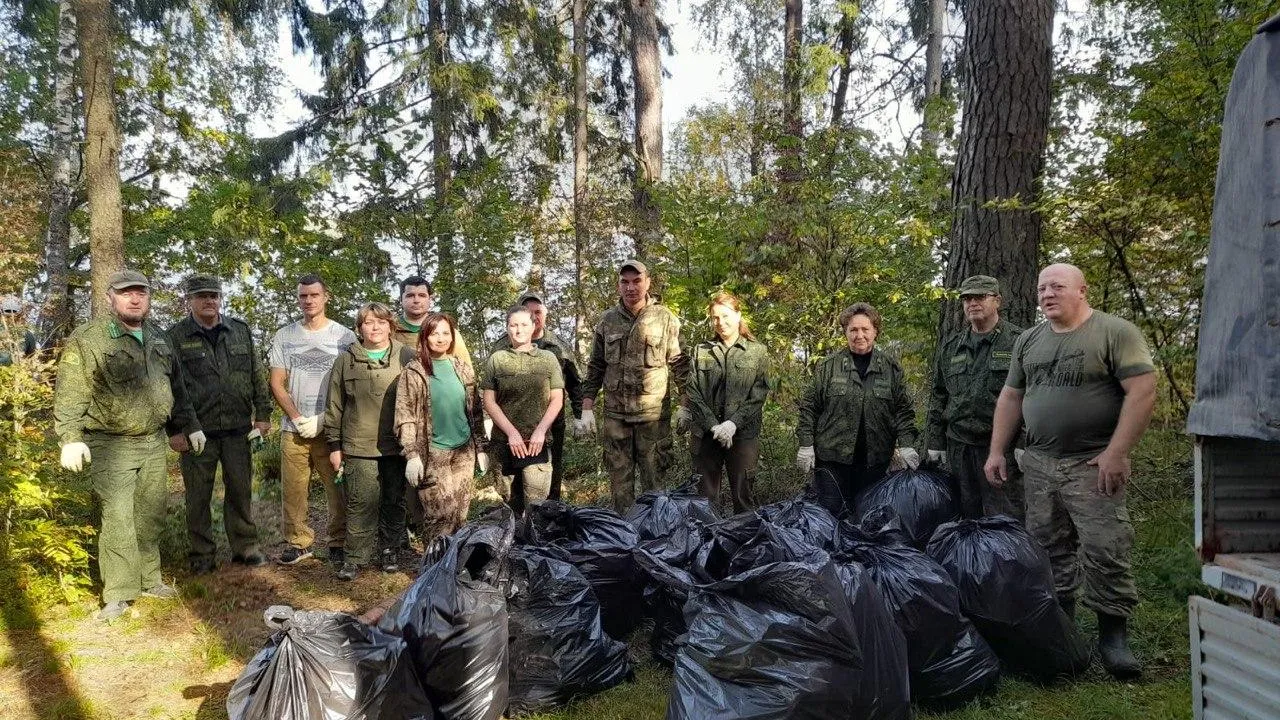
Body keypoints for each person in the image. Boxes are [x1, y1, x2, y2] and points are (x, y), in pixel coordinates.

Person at [985, 263, 1156, 680]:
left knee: (1105, 548)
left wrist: (1118, 451)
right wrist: (997, 451)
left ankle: (1113, 638)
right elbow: (1011, 397)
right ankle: (1063, 633)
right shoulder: (1029, 340)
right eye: (1042, 287)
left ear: (1082, 290)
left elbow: (1143, 390)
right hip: (1040, 464)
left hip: (1093, 463)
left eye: (1057, 286)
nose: (1047, 294)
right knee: (1048, 550)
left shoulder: (1115, 332)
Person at [53, 270, 203, 621]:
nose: (135, 299)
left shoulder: (159, 338)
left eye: (141, 293)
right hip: (110, 443)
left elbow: (177, 390)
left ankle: (149, 579)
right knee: (118, 517)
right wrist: (70, 438)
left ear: (149, 298)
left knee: (150, 514)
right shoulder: (90, 339)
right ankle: (118, 594)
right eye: (126, 293)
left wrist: (189, 425)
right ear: (111, 298)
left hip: (152, 441)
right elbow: (72, 391)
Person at [167, 275, 271, 574]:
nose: (209, 300)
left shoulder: (239, 330)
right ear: (189, 300)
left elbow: (256, 374)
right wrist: (174, 429)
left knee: (240, 491)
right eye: (202, 296)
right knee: (197, 496)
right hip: (198, 433)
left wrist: (262, 415)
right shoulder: (175, 336)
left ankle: (246, 547)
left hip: (238, 429)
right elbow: (170, 386)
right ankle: (201, 554)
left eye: (213, 295)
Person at [578, 260, 688, 513]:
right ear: (618, 286)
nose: (631, 288)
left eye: (637, 281)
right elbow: (596, 366)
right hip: (616, 417)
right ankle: (624, 540)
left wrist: (685, 406)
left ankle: (657, 541)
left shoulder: (665, 318)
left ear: (648, 282)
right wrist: (586, 408)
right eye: (624, 282)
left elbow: (680, 364)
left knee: (655, 485)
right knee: (620, 487)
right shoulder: (606, 321)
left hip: (653, 417)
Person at [267, 274, 357, 566]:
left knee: (337, 489)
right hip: (294, 429)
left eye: (314, 295)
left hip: (331, 429)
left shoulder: (344, 337)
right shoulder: (285, 336)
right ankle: (298, 542)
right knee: (293, 491)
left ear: (325, 297)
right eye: (303, 296)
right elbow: (277, 382)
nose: (308, 300)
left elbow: (351, 384)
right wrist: (296, 417)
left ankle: (338, 543)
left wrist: (325, 418)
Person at [796, 302, 920, 511]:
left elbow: (902, 410)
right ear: (845, 332)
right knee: (831, 516)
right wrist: (806, 444)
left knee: (868, 517)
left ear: (875, 332)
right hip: (832, 460)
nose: (859, 335)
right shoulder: (828, 366)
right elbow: (809, 407)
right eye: (853, 329)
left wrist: (907, 444)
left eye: (865, 329)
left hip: (875, 462)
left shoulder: (891, 368)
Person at [323, 302, 416, 581]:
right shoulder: (345, 360)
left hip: (397, 444)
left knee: (393, 500)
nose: (375, 328)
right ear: (359, 327)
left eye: (381, 322)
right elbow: (335, 405)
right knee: (359, 502)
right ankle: (355, 557)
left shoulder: (407, 356)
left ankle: (390, 550)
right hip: (358, 446)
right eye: (368, 322)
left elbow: (420, 400)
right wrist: (334, 445)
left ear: (391, 325)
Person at [925, 275, 1025, 520]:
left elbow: (1032, 397)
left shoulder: (1018, 342)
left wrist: (1025, 442)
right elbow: (939, 396)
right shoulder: (951, 347)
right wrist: (935, 442)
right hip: (959, 446)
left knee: (1004, 519)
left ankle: (1006, 560)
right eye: (967, 298)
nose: (972, 303)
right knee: (963, 516)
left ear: (997, 301)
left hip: (1002, 448)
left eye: (980, 297)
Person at [393, 275, 473, 542]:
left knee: (460, 514)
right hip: (432, 450)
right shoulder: (414, 371)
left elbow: (473, 405)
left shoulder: (460, 366)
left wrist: (481, 444)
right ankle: (435, 568)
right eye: (434, 334)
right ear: (424, 338)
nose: (440, 338)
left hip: (463, 449)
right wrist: (412, 453)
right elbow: (404, 415)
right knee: (439, 515)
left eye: (445, 334)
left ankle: (456, 568)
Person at [681, 292, 770, 513]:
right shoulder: (701, 350)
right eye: (715, 317)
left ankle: (744, 542)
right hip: (706, 435)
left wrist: (732, 424)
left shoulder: (757, 352)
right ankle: (708, 543)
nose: (721, 322)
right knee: (705, 500)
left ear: (738, 315)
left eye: (726, 315)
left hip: (743, 436)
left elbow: (758, 395)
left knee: (744, 497)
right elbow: (693, 391)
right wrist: (714, 426)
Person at [482, 306, 565, 514]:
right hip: (505, 443)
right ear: (507, 328)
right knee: (511, 504)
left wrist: (540, 431)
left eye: (524, 325)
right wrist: (511, 433)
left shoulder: (547, 358)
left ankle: (535, 544)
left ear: (534, 326)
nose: (519, 330)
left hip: (536, 444)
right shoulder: (497, 359)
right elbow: (489, 401)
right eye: (513, 325)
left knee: (536, 506)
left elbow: (557, 398)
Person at [515, 290, 583, 500]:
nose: (534, 317)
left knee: (552, 470)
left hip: (553, 424)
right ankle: (518, 521)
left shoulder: (559, 346)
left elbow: (575, 383)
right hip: (515, 423)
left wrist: (581, 416)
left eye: (538, 312)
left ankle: (550, 518)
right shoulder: (504, 344)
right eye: (528, 312)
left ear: (545, 314)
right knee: (516, 476)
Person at [0, 295, 38, 365]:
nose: (10, 319)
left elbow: (31, 356)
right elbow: (31, 357)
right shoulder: (28, 335)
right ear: (20, 316)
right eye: (8, 316)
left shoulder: (28, 335)